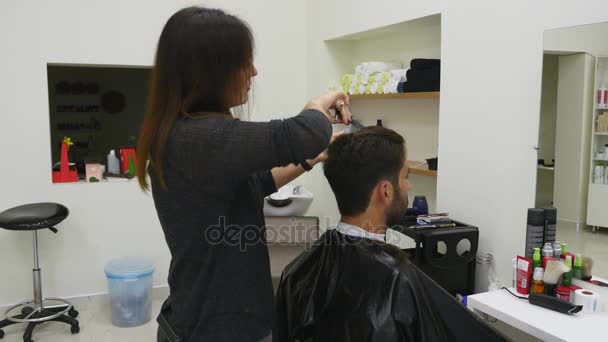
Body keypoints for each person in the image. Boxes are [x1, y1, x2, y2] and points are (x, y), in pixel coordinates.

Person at [135, 6, 352, 342]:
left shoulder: (184, 135)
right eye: (243, 63)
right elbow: (301, 132)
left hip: (206, 312)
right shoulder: (201, 137)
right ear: (208, 73)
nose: (253, 72)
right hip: (218, 327)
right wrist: (322, 100)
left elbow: (256, 183)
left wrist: (312, 157)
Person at [274, 127, 508, 342]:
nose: (408, 186)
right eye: (405, 177)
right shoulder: (400, 281)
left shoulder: (296, 271)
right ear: (385, 192)